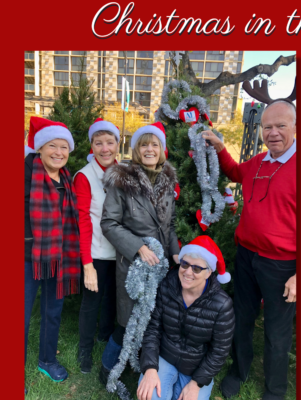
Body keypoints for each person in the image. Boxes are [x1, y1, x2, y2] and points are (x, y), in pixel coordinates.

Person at [202, 99, 297, 400]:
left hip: (282, 266)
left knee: (276, 334)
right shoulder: (259, 162)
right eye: (267, 127)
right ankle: (238, 371)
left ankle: (274, 390)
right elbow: (233, 172)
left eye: (281, 126)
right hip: (246, 257)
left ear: (295, 128)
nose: (273, 133)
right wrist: (219, 146)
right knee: (241, 319)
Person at [99, 121, 180, 385]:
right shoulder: (122, 181)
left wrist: (175, 254)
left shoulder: (168, 182)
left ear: (161, 149)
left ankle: (142, 368)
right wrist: (138, 247)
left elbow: (170, 225)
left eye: (154, 144)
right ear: (136, 150)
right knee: (127, 321)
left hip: (161, 266)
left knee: (153, 320)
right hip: (134, 265)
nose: (149, 149)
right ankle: (107, 368)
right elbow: (109, 223)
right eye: (143, 144)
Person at [137, 236, 234, 400]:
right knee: (149, 397)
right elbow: (152, 329)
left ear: (209, 272)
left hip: (195, 367)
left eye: (197, 269)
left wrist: (197, 383)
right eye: (185, 264)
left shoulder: (222, 305)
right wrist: (151, 368)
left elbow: (219, 351)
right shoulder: (167, 286)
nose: (188, 272)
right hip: (164, 356)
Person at [24, 117, 80, 386]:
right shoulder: (24, 172)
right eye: (52, 146)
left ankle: (47, 359)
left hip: (58, 258)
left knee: (52, 311)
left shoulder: (67, 178)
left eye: (64, 148)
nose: (59, 153)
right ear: (40, 148)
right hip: (26, 259)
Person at [74, 118, 120, 373]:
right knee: (92, 302)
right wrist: (87, 264)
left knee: (113, 298)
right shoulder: (85, 175)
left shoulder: (123, 170)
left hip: (120, 252)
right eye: (98, 143)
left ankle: (106, 335)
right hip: (97, 251)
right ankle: (85, 348)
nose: (105, 149)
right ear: (92, 145)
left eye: (109, 142)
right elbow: (83, 221)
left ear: (117, 143)